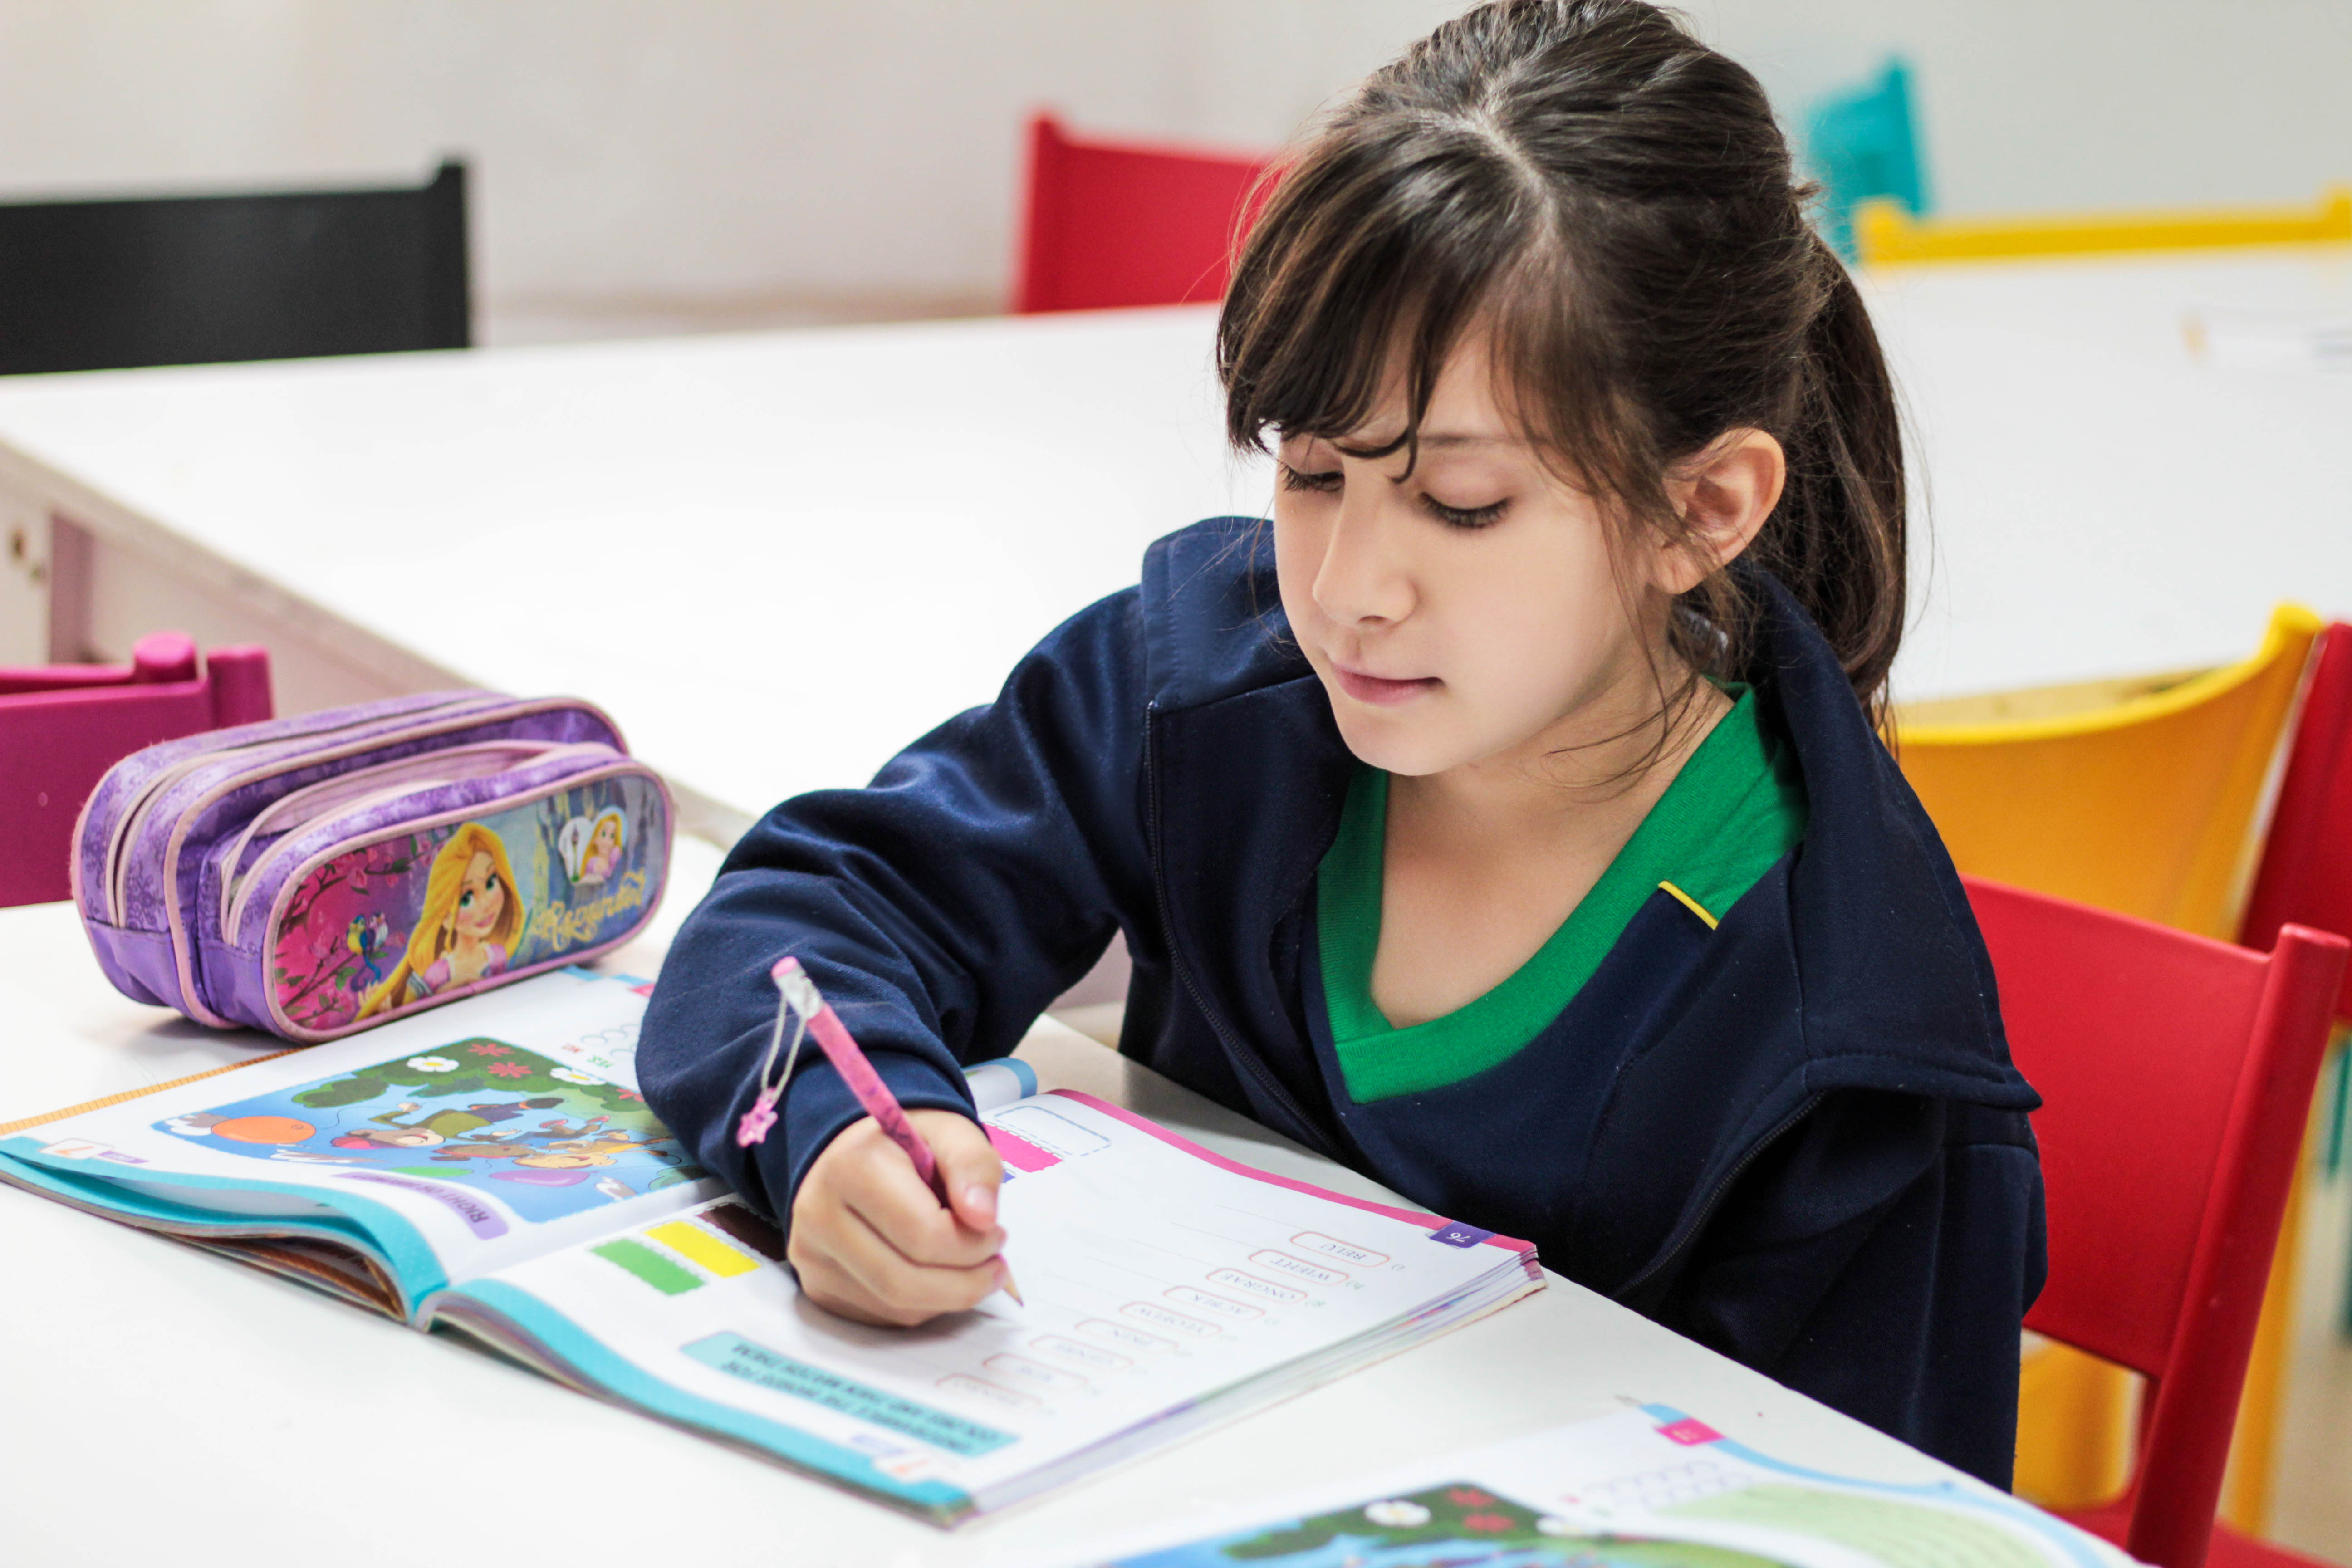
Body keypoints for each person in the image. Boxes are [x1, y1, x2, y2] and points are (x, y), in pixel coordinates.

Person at [640, 0, 2043, 1488]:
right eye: (1312, 469)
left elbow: (1881, 1517)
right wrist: (851, 1129)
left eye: (1460, 504)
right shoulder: (1211, 692)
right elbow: (825, 907)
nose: (1349, 589)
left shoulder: (1853, 1037)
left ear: (1701, 509)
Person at [356, 822, 526, 1019]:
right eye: (467, 898)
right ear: (444, 916)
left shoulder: (496, 955)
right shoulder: (440, 971)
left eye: (491, 882)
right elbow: (409, 1012)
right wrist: (385, 1012)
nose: (487, 904)